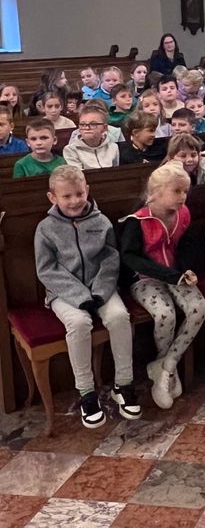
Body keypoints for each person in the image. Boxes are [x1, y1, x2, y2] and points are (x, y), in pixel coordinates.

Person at [36, 165, 141, 428]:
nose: (74, 201)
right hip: (64, 293)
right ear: (53, 198)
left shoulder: (100, 221)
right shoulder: (46, 228)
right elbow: (47, 270)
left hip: (101, 287)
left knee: (119, 317)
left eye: (79, 194)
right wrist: (80, 296)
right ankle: (86, 392)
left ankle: (123, 384)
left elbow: (110, 258)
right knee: (80, 323)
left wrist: (99, 291)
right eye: (66, 196)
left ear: (87, 191)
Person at [118, 162, 205, 409]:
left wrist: (187, 268)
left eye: (185, 191)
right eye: (177, 191)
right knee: (165, 314)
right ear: (156, 192)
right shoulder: (137, 220)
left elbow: (188, 244)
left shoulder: (183, 213)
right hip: (146, 278)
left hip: (177, 274)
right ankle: (163, 370)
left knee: (198, 308)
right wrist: (167, 274)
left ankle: (167, 365)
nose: (183, 197)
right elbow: (130, 256)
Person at [63, 104, 119, 169]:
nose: (87, 128)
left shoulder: (113, 147)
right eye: (83, 124)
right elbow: (78, 175)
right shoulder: (71, 150)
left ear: (104, 128)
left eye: (93, 124)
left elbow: (115, 172)